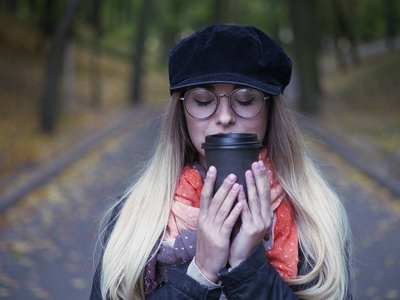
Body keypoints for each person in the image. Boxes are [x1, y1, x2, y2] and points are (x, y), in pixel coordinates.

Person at [90, 24, 353, 299]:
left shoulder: (316, 216)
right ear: (182, 112)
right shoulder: (135, 215)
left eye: (245, 99)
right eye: (203, 101)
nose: (224, 116)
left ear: (271, 111)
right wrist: (200, 272)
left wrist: (247, 266)